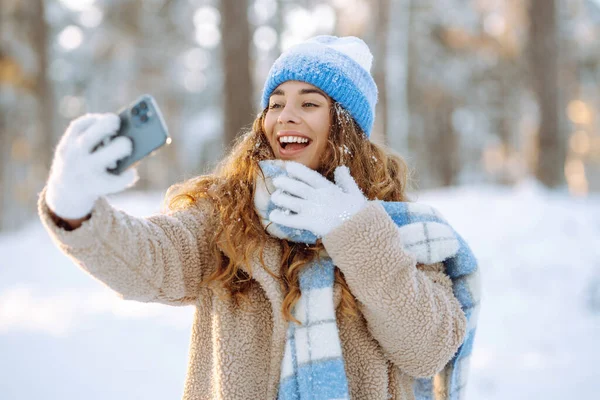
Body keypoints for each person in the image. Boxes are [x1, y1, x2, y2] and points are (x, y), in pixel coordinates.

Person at [39, 36, 479, 400]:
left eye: (309, 104)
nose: (286, 115)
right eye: (275, 103)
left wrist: (354, 231)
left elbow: (430, 349)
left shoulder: (400, 230)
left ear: (345, 127)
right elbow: (152, 260)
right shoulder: (226, 214)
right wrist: (74, 209)